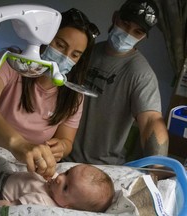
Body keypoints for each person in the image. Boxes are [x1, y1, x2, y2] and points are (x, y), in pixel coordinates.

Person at [0, 8, 100, 179]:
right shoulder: (11, 62)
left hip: (33, 162)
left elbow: (66, 141)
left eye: (74, 55)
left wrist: (61, 147)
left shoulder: (74, 94)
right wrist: (18, 144)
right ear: (43, 39)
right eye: (60, 45)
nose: (64, 57)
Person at [63, 0, 169, 165]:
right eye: (125, 24)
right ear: (115, 18)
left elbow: (151, 121)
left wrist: (157, 169)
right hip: (61, 154)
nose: (128, 34)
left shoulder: (140, 74)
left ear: (143, 37)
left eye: (137, 31)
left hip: (102, 167)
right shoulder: (85, 52)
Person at [0, 151, 114, 212]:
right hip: (10, 175)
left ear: (67, 206)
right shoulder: (55, 182)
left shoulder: (42, 201)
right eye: (67, 173)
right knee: (0, 160)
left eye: (66, 187)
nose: (60, 178)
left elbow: (10, 206)